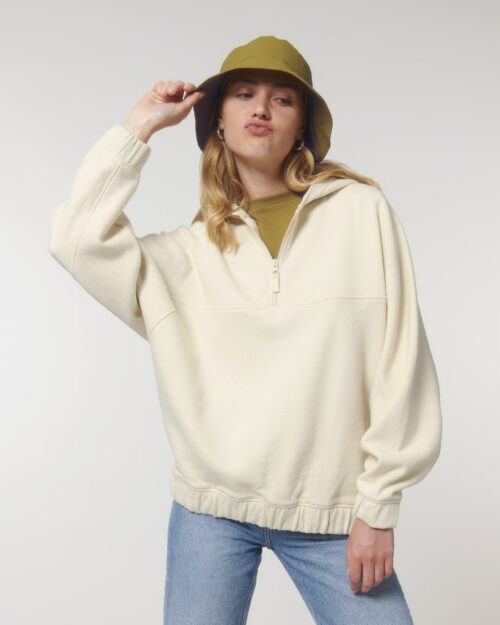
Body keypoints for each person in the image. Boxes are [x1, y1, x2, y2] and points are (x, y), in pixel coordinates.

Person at [49, 35, 442, 625]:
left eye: (283, 99)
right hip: (211, 511)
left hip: (334, 513)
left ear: (302, 125)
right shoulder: (187, 255)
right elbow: (76, 240)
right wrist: (140, 127)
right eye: (243, 95)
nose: (261, 108)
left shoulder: (361, 213)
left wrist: (379, 507)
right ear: (218, 119)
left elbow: (400, 360)